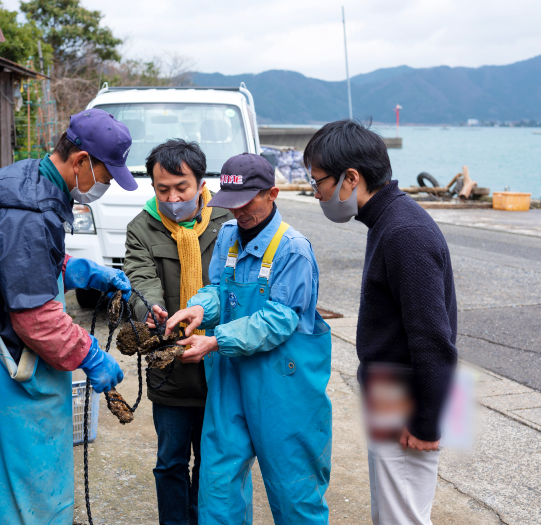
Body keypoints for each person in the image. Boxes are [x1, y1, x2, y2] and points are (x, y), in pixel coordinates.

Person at [0, 108, 137, 525]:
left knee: (8, 484)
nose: (104, 187)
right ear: (79, 162)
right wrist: (90, 355)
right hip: (15, 369)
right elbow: (37, 321)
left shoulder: (30, 180)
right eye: (105, 177)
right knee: (30, 494)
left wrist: (72, 270)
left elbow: (18, 266)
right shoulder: (29, 215)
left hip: (1, 353)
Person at [166, 153, 333, 524]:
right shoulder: (227, 235)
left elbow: (279, 318)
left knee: (295, 492)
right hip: (229, 380)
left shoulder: (293, 250)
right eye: (231, 205)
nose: (238, 213)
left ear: (272, 194)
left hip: (283, 388)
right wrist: (198, 309)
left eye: (246, 204)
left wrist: (214, 341)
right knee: (219, 485)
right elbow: (217, 290)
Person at [304, 120, 457, 525]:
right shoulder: (386, 220)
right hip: (392, 393)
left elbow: (433, 340)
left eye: (318, 180)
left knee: (401, 518)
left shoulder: (403, 232)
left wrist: (426, 421)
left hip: (405, 398)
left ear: (351, 178)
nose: (315, 191)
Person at [123, 139, 231, 525]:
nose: (171, 197)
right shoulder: (141, 228)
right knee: (170, 460)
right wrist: (148, 309)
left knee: (213, 458)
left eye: (180, 187)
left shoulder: (228, 221)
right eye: (162, 188)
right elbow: (140, 280)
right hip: (170, 364)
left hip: (221, 359)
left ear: (201, 183)